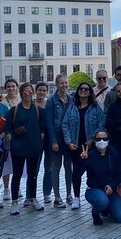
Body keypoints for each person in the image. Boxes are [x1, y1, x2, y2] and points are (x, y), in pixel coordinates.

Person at [62, 82, 106, 210]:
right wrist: (68, 141)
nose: (83, 91)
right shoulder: (72, 107)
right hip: (76, 145)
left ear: (90, 92)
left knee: (93, 172)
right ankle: (76, 197)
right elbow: (65, 125)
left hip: (90, 146)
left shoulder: (95, 107)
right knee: (76, 173)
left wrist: (93, 139)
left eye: (86, 89)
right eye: (81, 89)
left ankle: (95, 196)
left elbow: (101, 124)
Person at [4, 83, 46, 215]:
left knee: (33, 175)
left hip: (34, 147)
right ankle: (15, 202)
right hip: (19, 148)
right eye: (25, 92)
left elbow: (43, 127)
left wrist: (39, 141)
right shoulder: (15, 110)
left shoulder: (38, 110)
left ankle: (33, 198)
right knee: (16, 175)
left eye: (30, 92)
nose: (28, 94)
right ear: (21, 93)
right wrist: (12, 140)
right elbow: (7, 128)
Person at [80, 131, 121, 225]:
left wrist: (112, 186)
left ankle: (106, 209)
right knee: (102, 201)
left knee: (120, 217)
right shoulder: (90, 155)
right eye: (98, 139)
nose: (102, 141)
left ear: (108, 140)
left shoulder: (113, 154)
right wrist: (82, 161)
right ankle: (96, 213)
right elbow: (77, 175)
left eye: (104, 139)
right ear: (95, 141)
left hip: (111, 190)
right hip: (94, 190)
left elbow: (120, 174)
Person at [46, 74, 74, 208]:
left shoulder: (71, 99)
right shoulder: (51, 100)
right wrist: (53, 141)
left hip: (68, 137)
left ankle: (69, 194)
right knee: (56, 167)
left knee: (69, 167)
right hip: (57, 136)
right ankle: (57, 196)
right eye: (62, 83)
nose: (64, 85)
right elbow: (49, 123)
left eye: (66, 83)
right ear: (57, 84)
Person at [0, 78, 20, 201]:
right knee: (6, 162)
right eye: (9, 86)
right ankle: (6, 188)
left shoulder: (21, 99)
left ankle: (17, 186)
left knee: (18, 162)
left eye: (13, 86)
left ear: (17, 87)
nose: (11, 88)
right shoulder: (2, 100)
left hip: (19, 135)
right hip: (6, 134)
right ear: (6, 88)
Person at [34, 82, 53, 204]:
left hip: (49, 139)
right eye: (39, 90)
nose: (41, 92)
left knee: (49, 167)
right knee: (34, 168)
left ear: (47, 92)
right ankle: (30, 194)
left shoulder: (49, 104)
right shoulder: (31, 104)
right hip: (35, 139)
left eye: (44, 90)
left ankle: (47, 193)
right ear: (36, 91)